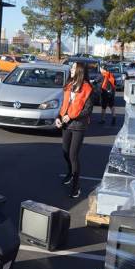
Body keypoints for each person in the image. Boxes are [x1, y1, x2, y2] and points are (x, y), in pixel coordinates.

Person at [56, 62, 94, 198]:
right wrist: (58, 117)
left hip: (78, 126)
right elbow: (64, 104)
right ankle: (70, 173)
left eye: (73, 68)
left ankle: (76, 186)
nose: (71, 69)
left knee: (73, 156)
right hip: (66, 125)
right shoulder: (69, 85)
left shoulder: (87, 88)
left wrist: (70, 117)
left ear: (79, 71)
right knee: (65, 152)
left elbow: (87, 110)